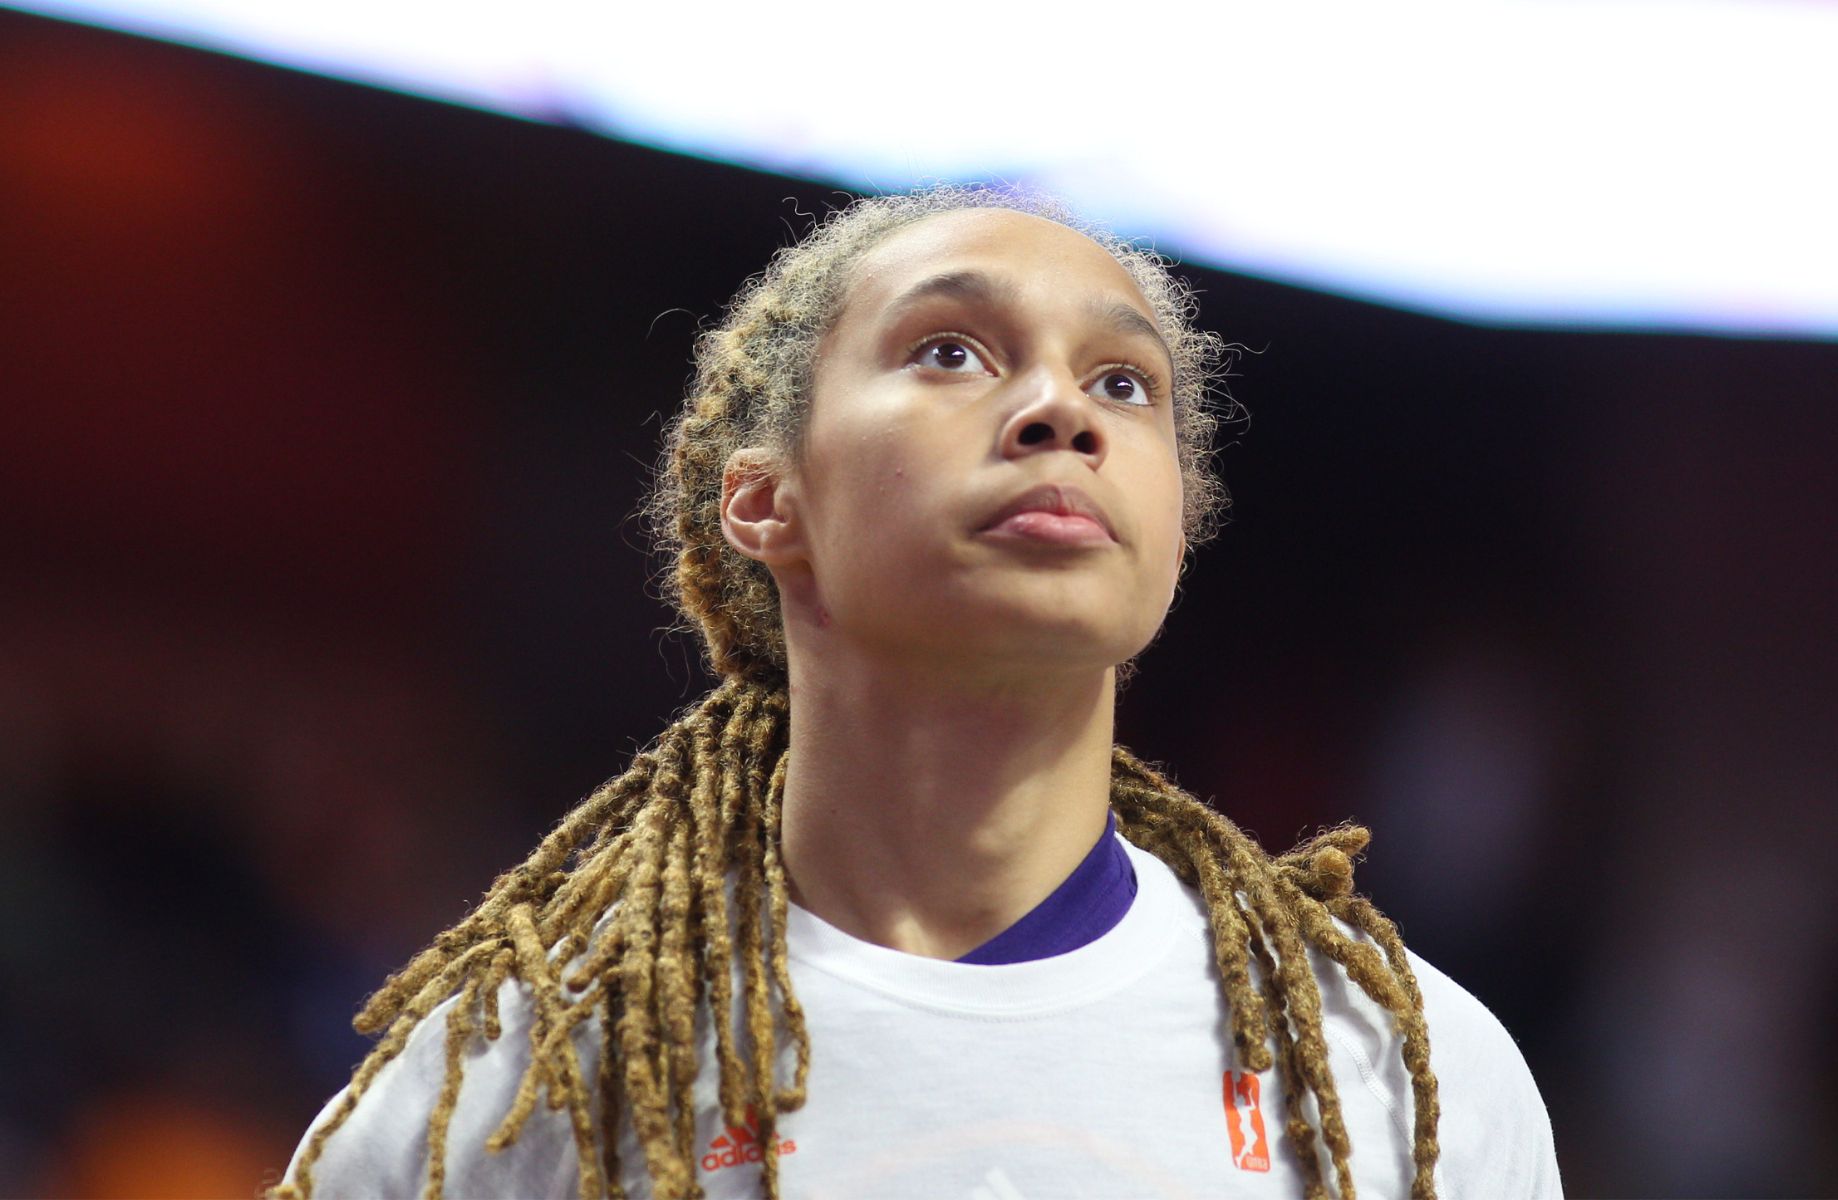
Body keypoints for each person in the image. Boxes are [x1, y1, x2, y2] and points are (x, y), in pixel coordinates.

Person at [272, 187, 1560, 1200]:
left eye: (1126, 384)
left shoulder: (1400, 1070)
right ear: (767, 501)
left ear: (1178, 527)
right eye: (951, 351)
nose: (1062, 407)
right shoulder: (506, 1081)